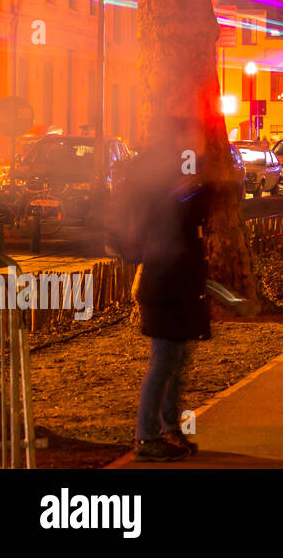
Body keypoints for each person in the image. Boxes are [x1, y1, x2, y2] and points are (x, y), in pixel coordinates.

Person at [111, 116, 216, 463]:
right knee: (164, 361)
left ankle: (169, 427)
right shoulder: (169, 175)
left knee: (177, 359)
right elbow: (186, 210)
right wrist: (203, 184)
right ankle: (147, 436)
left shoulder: (174, 170)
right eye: (191, 135)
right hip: (165, 280)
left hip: (177, 280)